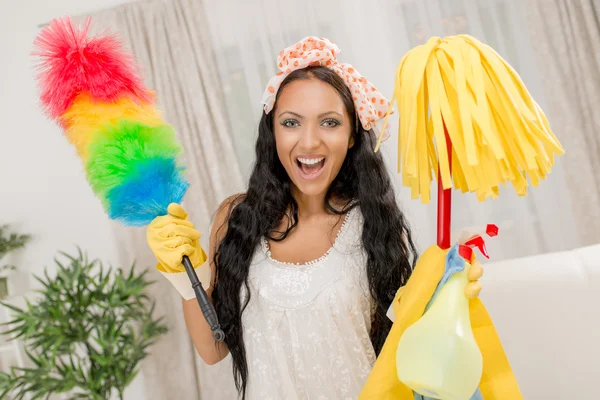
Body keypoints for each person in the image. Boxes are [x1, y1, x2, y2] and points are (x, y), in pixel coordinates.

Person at [147, 36, 418, 399]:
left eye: (329, 122)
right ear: (272, 130)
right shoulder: (236, 220)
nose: (308, 143)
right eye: (291, 123)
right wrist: (186, 278)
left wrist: (448, 291)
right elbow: (213, 350)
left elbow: (408, 350)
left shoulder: (376, 227)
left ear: (353, 134)